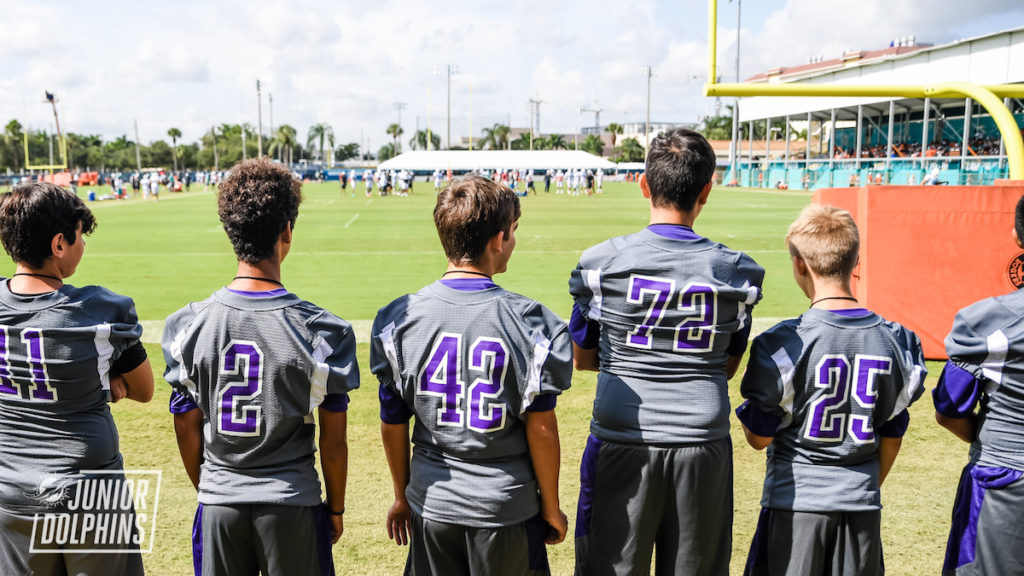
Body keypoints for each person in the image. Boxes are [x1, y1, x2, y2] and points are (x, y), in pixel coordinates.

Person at [569, 127, 764, 576]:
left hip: (623, 436)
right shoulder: (736, 272)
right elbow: (728, 365)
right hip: (702, 440)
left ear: (644, 184)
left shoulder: (601, 263)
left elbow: (583, 358)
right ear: (707, 191)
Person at [163, 158, 358, 576]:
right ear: (286, 231)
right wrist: (336, 507)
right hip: (292, 502)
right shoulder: (324, 332)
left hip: (219, 501)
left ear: (229, 231)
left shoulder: (186, 326)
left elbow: (185, 424)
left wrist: (213, 488)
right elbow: (334, 439)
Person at [372, 174, 572, 576]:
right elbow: (542, 428)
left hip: (433, 503)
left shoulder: (398, 319)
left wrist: (402, 495)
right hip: (504, 507)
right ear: (497, 239)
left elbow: (392, 422)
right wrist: (550, 507)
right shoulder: (531, 323)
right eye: (513, 233)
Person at [736, 204, 927, 576]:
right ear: (856, 262)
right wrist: (859, 484)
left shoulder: (782, 344)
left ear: (799, 265)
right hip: (862, 506)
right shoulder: (898, 342)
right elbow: (893, 433)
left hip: (796, 505)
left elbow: (759, 437)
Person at [0, 181, 154, 576]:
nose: (83, 246)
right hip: (89, 491)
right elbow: (142, 389)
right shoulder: (100, 310)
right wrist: (104, 381)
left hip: (11, 489)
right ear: (58, 245)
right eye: (80, 237)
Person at [933, 194, 1024, 575]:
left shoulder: (988, 323)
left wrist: (990, 441)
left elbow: (949, 409)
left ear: (1018, 238)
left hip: (1005, 477)